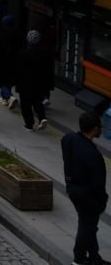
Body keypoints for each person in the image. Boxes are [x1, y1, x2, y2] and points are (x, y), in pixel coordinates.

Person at [63, 110, 108, 265]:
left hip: (72, 188)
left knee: (89, 225)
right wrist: (102, 200)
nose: (101, 130)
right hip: (87, 196)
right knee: (87, 226)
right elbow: (98, 184)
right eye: (100, 127)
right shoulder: (93, 155)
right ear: (95, 129)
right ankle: (79, 258)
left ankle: (94, 256)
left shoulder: (69, 139)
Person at [16, 30, 52, 131]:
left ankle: (29, 124)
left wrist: (16, 82)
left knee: (26, 105)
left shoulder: (23, 54)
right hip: (39, 83)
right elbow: (47, 70)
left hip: (25, 83)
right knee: (37, 102)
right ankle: (42, 118)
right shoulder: (44, 54)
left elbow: (18, 70)